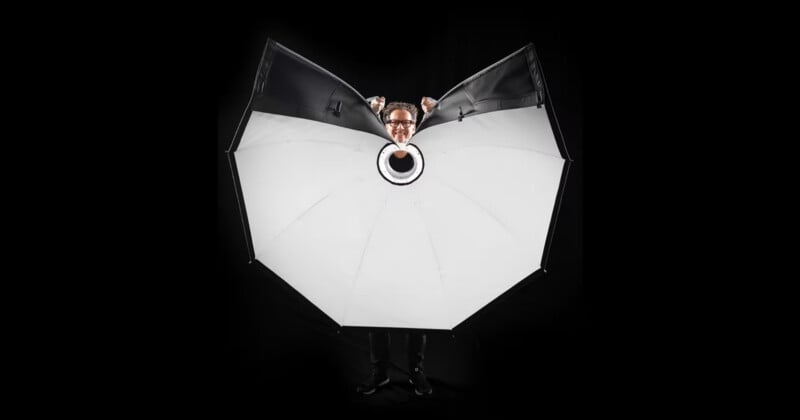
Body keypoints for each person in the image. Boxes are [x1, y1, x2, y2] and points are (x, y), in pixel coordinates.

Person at [355, 96, 438, 397]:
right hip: (380, 244)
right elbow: (362, 136)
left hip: (416, 246)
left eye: (407, 123)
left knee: (417, 313)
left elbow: (439, 137)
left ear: (415, 127)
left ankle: (416, 371)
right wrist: (371, 113)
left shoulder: (427, 153)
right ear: (386, 126)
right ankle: (380, 373)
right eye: (395, 123)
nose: (401, 128)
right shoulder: (372, 152)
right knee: (377, 312)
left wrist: (432, 114)